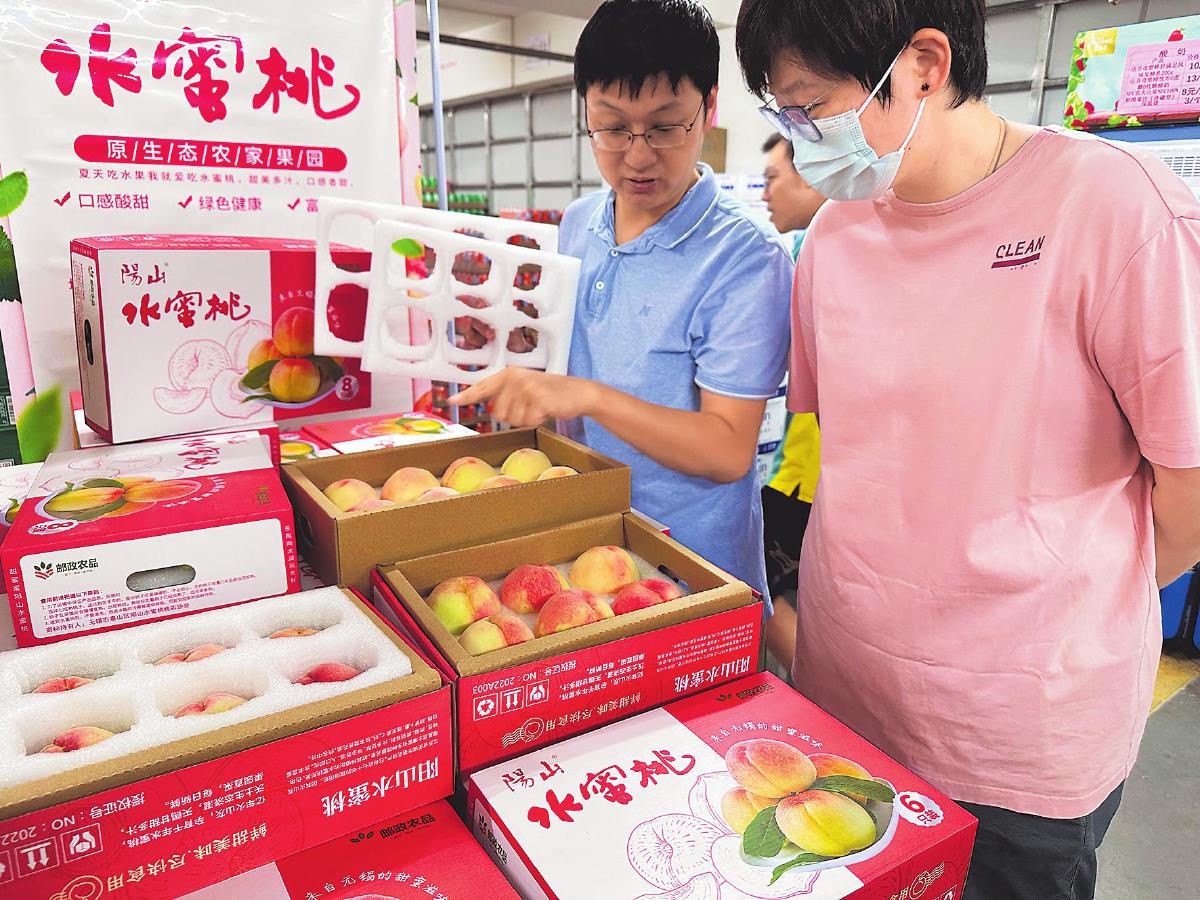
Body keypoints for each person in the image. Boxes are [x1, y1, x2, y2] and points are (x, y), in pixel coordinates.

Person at [736, 1, 1200, 898]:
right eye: (782, 114)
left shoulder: (1114, 209)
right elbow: (843, 448)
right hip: (848, 703)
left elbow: (1191, 485)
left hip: (1019, 740)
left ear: (924, 64)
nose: (799, 140)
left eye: (811, 107)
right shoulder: (835, 236)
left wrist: (1069, 605)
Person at [451, 0, 792, 600]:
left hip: (690, 573)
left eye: (665, 127)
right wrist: (513, 339)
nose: (637, 156)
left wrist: (588, 396)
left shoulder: (745, 258)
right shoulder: (580, 220)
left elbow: (727, 450)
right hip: (581, 545)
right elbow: (576, 352)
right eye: (612, 128)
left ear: (709, 108)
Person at [758, 132, 826, 669]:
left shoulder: (817, 247)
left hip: (804, 473)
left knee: (763, 587)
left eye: (772, 179)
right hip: (820, 470)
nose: (765, 194)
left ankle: (819, 699)